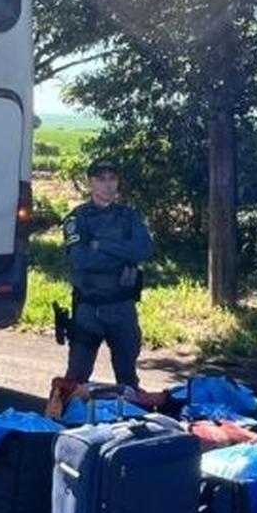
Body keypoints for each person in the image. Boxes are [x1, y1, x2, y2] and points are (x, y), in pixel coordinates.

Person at [62, 159, 155, 385]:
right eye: (101, 179)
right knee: (76, 378)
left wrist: (101, 245)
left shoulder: (129, 217)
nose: (107, 185)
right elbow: (80, 260)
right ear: (91, 183)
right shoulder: (78, 219)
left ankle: (129, 419)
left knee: (128, 379)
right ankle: (59, 418)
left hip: (122, 308)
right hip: (89, 309)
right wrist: (123, 255)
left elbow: (144, 250)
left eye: (112, 179)